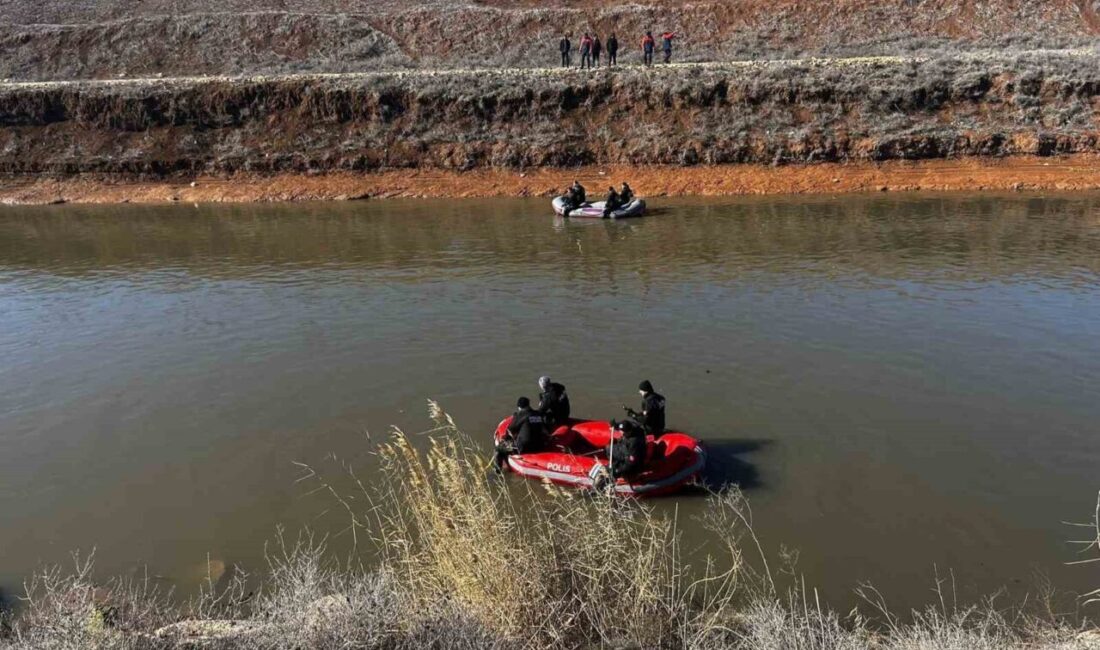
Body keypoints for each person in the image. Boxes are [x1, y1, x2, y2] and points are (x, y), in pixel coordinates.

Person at [494, 397, 548, 470]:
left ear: (519, 407)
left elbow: (511, 429)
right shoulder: (537, 414)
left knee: (498, 450)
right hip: (539, 445)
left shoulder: (520, 415)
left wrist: (505, 439)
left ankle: (498, 472)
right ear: (528, 404)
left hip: (525, 447)